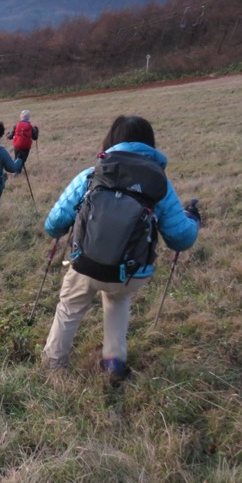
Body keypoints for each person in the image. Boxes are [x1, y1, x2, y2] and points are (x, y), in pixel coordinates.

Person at [41, 115, 200, 383]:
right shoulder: (158, 183)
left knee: (70, 305)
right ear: (149, 144)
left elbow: (55, 223)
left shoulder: (92, 174)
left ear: (112, 140)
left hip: (86, 263)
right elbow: (180, 239)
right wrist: (193, 220)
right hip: (132, 272)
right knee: (117, 297)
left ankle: (54, 363)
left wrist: (58, 233)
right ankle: (114, 361)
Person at [6, 109, 37, 175]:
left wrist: (7, 135)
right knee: (23, 159)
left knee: (16, 158)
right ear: (28, 117)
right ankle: (17, 171)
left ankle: (15, 170)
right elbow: (35, 137)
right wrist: (37, 131)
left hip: (17, 145)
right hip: (26, 146)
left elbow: (11, 136)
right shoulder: (30, 126)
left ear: (21, 116)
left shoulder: (16, 125)